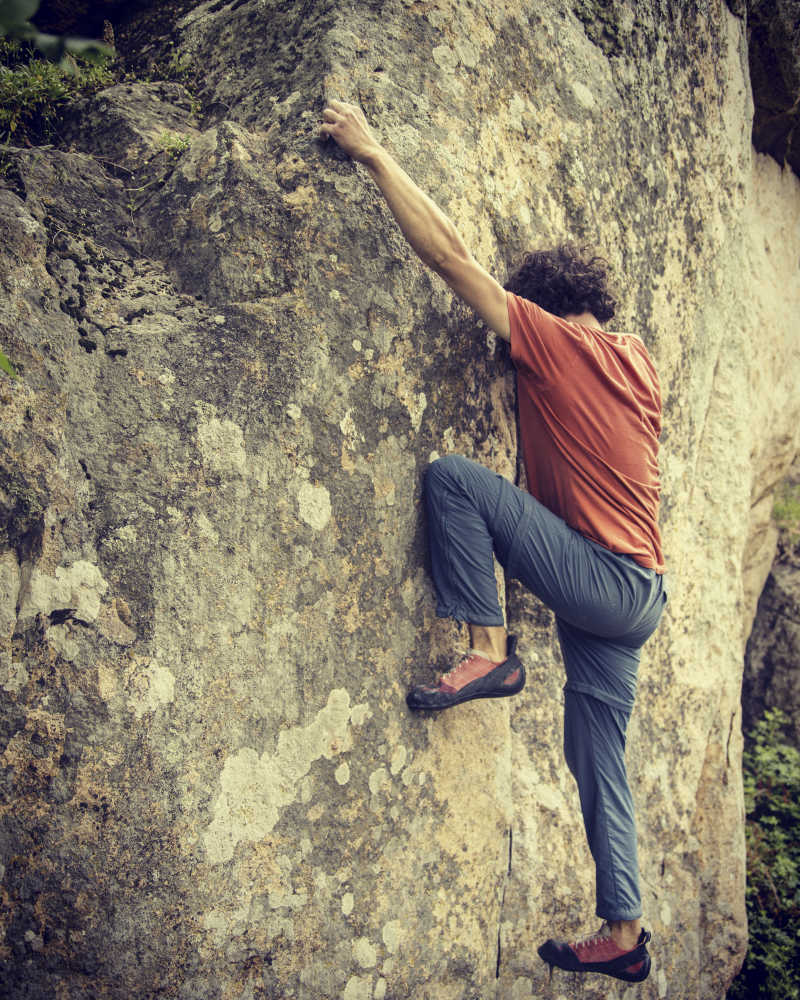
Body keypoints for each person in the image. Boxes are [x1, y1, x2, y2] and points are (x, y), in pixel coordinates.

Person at [320, 99, 667, 985]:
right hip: (635, 601)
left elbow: (447, 257)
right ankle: (623, 932)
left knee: (452, 479)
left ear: (546, 310)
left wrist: (373, 151)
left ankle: (488, 651)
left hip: (601, 580)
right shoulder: (639, 364)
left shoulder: (554, 346)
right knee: (598, 760)